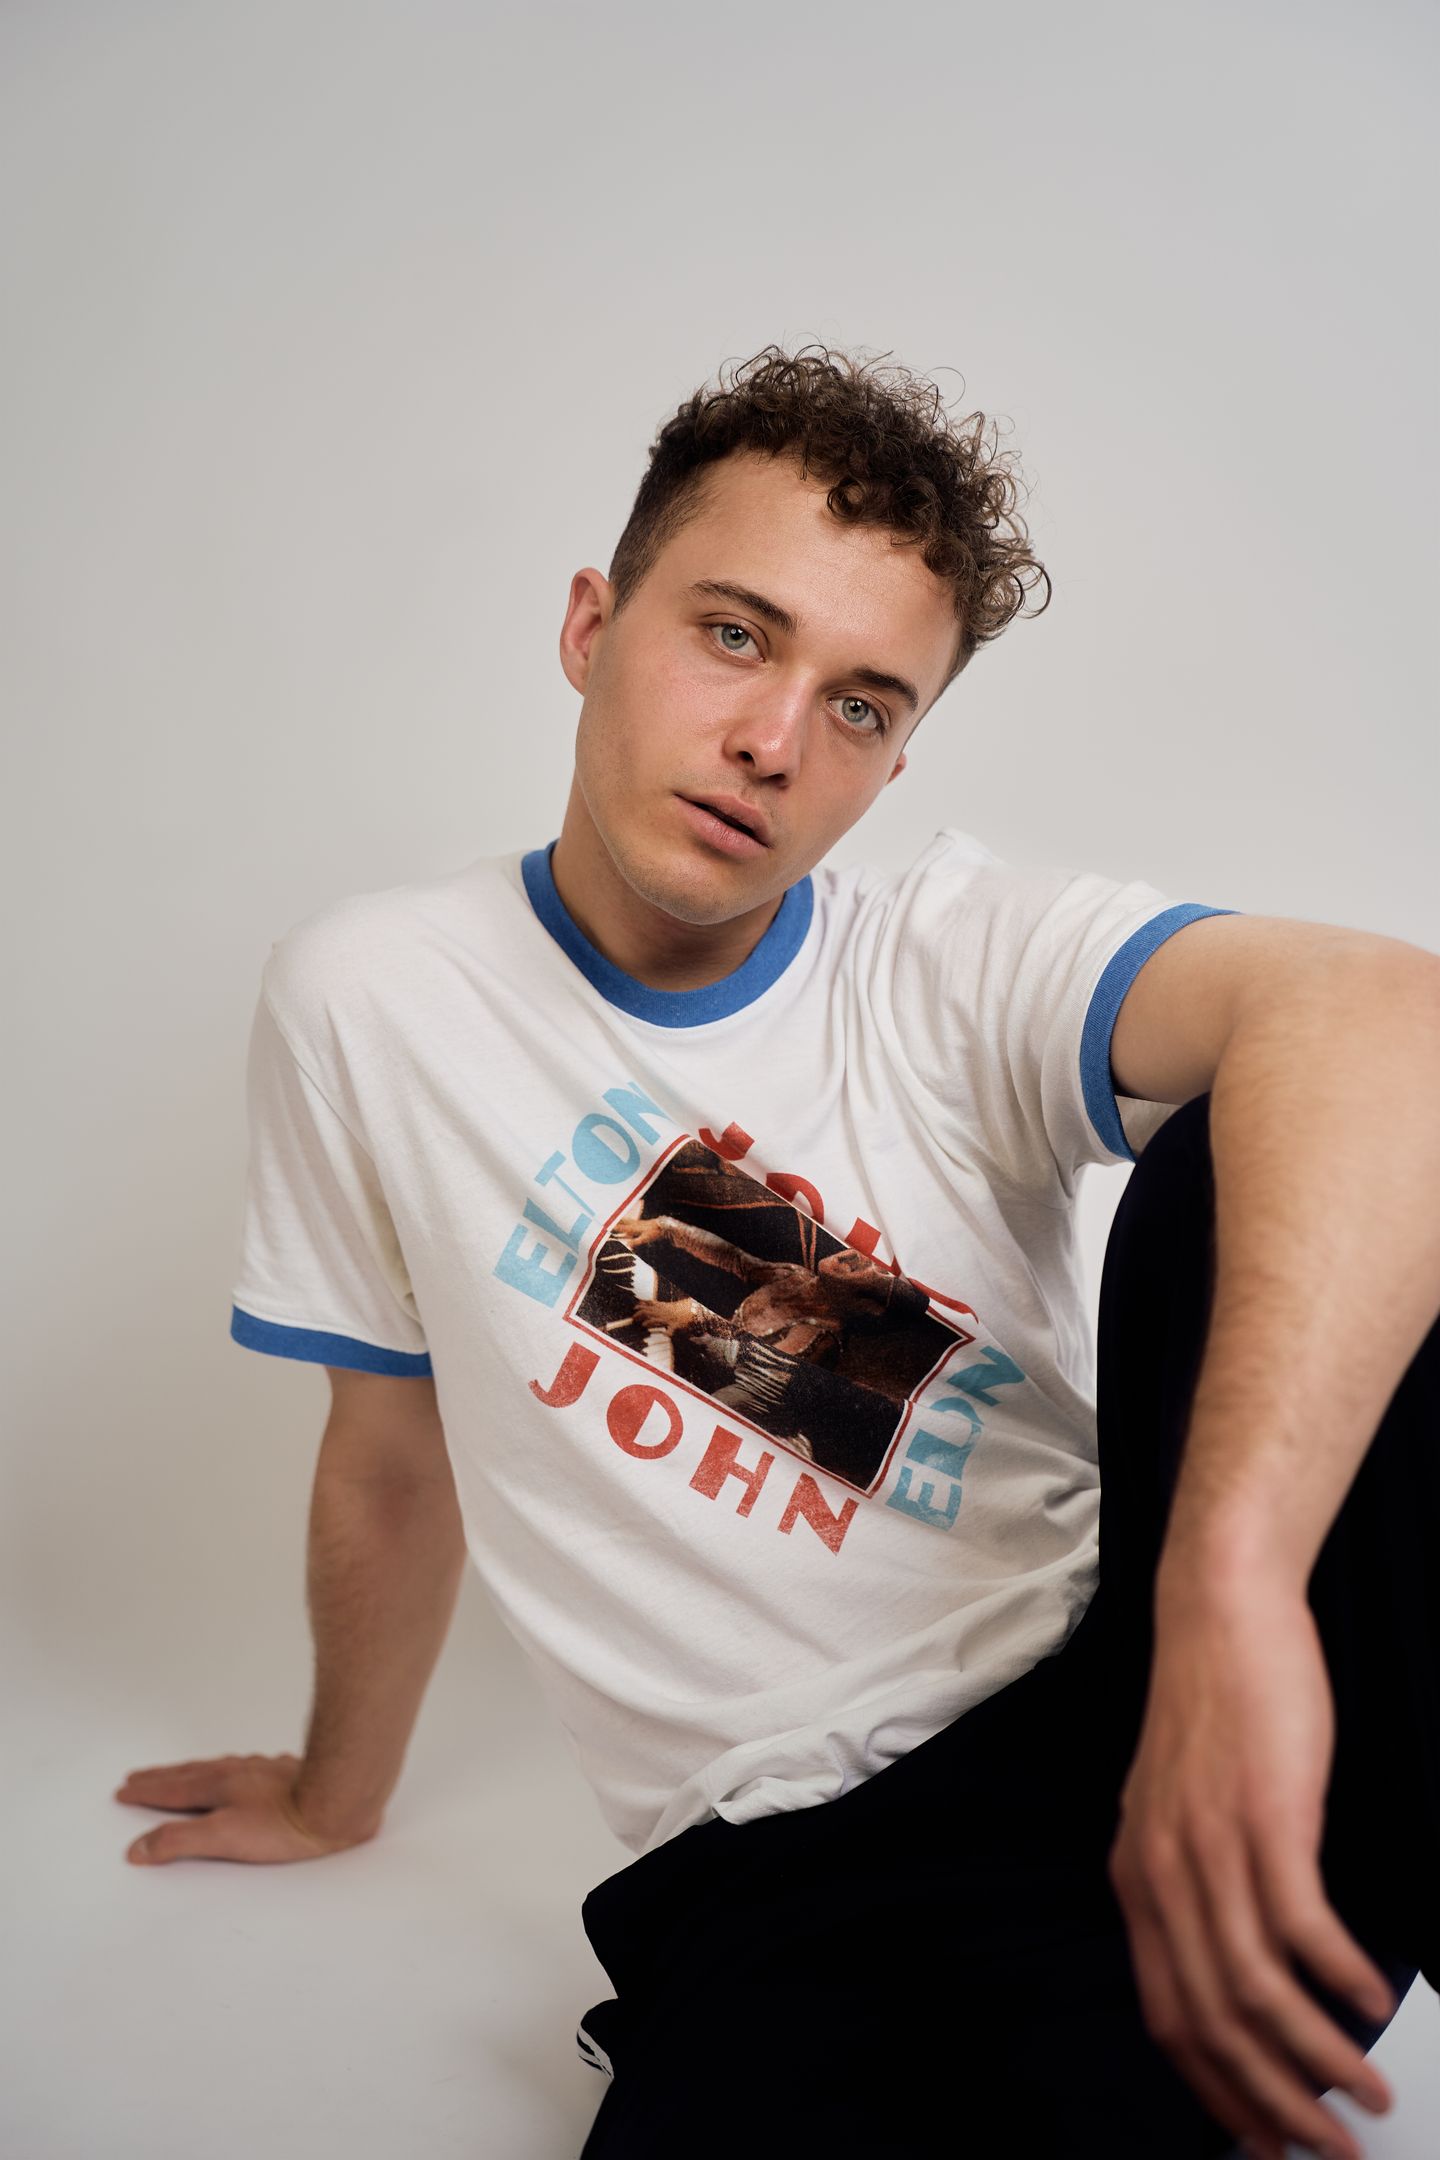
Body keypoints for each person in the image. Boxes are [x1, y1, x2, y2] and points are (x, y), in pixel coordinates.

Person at [113, 343, 1440, 2159]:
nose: (775, 742)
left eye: (863, 706)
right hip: (802, 1867)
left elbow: (1389, 1016)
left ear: (896, 760)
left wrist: (1230, 1601)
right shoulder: (373, 998)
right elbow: (393, 1450)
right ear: (593, 626)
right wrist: (339, 1793)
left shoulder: (944, 957)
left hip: (1183, 1694)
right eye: (735, 636)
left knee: (1281, 1144)